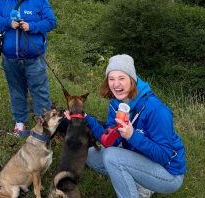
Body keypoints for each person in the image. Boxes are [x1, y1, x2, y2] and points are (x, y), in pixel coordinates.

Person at [60, 54, 186, 198]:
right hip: (140, 156)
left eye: (121, 78)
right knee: (90, 155)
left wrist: (133, 136)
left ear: (132, 79)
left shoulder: (155, 109)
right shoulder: (115, 105)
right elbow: (110, 140)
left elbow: (164, 155)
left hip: (168, 173)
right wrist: (85, 117)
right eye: (111, 79)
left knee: (112, 156)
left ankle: (139, 187)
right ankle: (139, 180)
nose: (116, 84)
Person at [0, 0, 56, 133]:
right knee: (16, 91)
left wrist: (32, 26)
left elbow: (50, 21)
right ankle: (20, 123)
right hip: (10, 58)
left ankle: (46, 125)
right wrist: (7, 23)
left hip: (35, 58)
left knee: (39, 91)